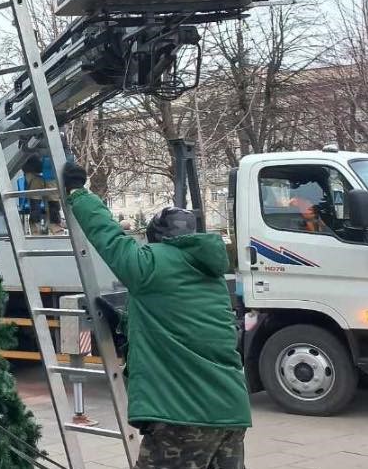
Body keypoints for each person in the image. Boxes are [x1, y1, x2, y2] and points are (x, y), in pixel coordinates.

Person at [61, 163, 251, 469]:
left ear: (155, 237)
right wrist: (126, 323)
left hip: (183, 415)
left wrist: (77, 192)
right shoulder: (212, 276)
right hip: (230, 413)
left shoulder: (150, 265)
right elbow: (180, 322)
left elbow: (108, 236)